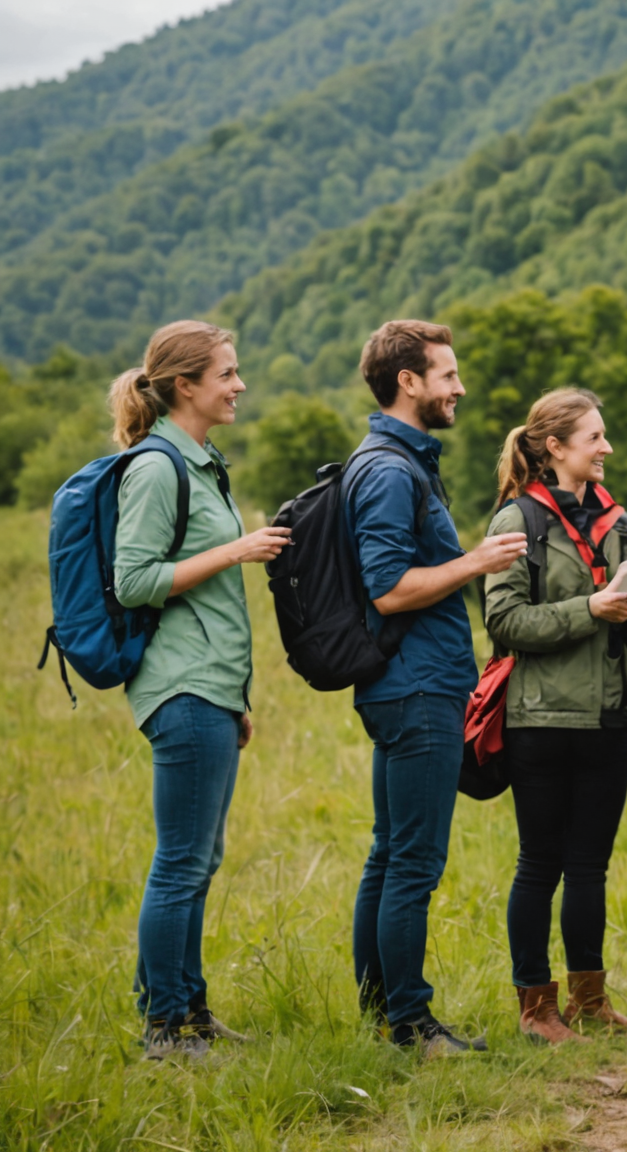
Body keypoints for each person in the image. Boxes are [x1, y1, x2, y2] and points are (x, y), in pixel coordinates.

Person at [111, 321, 292, 1060]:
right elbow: (134, 580)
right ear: (186, 385)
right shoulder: (158, 469)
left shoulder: (203, 463)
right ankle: (164, 1029)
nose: (239, 384)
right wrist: (238, 549)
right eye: (227, 373)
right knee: (181, 860)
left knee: (200, 857)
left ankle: (188, 1010)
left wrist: (236, 698)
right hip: (180, 688)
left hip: (210, 690)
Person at [348, 320, 527, 1056]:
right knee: (413, 860)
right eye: (447, 375)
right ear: (408, 382)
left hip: (408, 684)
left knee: (389, 853)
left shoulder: (398, 460)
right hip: (416, 688)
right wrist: (477, 561)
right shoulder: (391, 470)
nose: (459, 387)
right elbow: (388, 588)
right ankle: (412, 1024)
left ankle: (378, 1011)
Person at [482, 388, 627, 1045]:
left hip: (611, 715)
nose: (607, 448)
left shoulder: (616, 521)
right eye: (595, 438)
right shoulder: (515, 524)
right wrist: (591, 609)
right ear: (555, 447)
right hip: (540, 720)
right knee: (541, 863)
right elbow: (503, 622)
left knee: (592, 865)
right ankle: (537, 1010)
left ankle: (591, 1001)